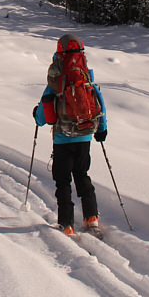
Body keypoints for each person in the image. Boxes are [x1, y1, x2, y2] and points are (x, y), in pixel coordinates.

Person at [33, 34, 107, 235]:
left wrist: (36, 116)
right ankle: (91, 218)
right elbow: (99, 104)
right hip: (84, 135)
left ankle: (66, 224)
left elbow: (42, 116)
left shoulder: (55, 83)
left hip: (62, 139)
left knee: (63, 181)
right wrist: (101, 130)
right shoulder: (87, 78)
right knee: (82, 175)